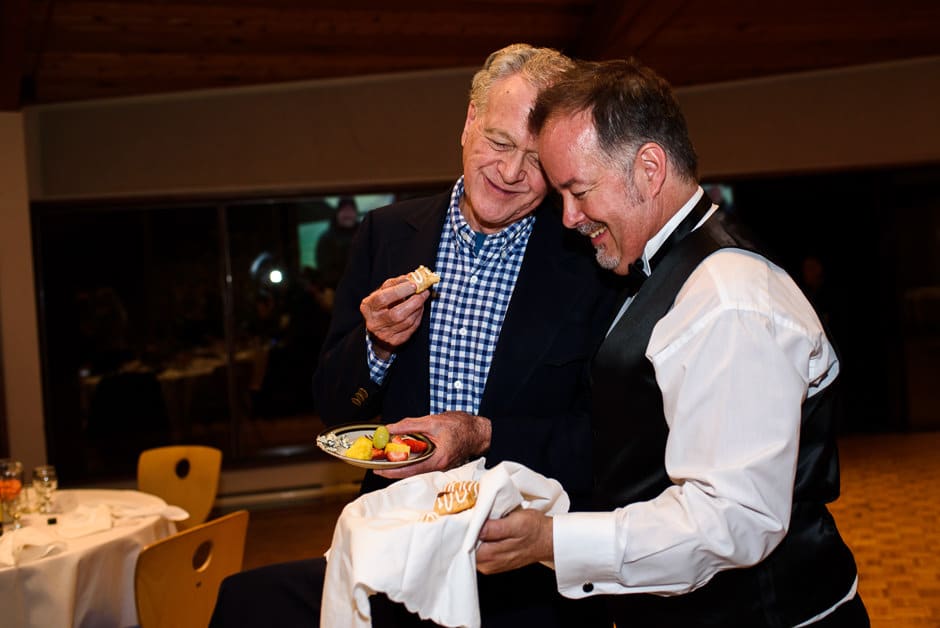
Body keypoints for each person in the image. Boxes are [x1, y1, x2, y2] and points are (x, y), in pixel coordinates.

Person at [211, 44, 619, 627]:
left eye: (536, 162)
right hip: (389, 546)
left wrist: (481, 435)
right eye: (500, 143)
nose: (509, 174)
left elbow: (603, 436)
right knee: (246, 602)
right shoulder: (386, 234)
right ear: (468, 123)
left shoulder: (587, 258)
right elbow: (334, 405)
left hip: (513, 563)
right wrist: (375, 347)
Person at [475, 58, 870, 627]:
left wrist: (553, 540)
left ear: (650, 168)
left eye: (579, 190)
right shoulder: (660, 271)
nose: (567, 217)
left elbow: (731, 521)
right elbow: (643, 455)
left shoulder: (730, 297)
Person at [316, 196, 361, 291]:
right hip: (336, 290)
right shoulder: (326, 238)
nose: (348, 214)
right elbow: (325, 270)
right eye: (344, 210)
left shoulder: (364, 235)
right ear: (337, 213)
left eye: (351, 210)